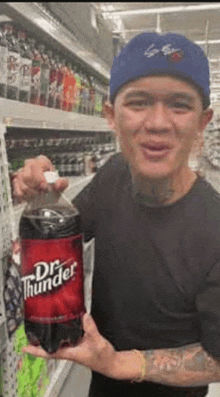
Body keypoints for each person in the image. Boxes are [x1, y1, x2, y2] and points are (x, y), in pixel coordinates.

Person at [13, 32, 220, 397]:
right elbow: (62, 238)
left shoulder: (215, 227)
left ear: (203, 122)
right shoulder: (113, 174)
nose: (157, 123)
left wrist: (120, 363)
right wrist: (37, 197)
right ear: (111, 115)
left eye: (180, 105)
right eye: (138, 103)